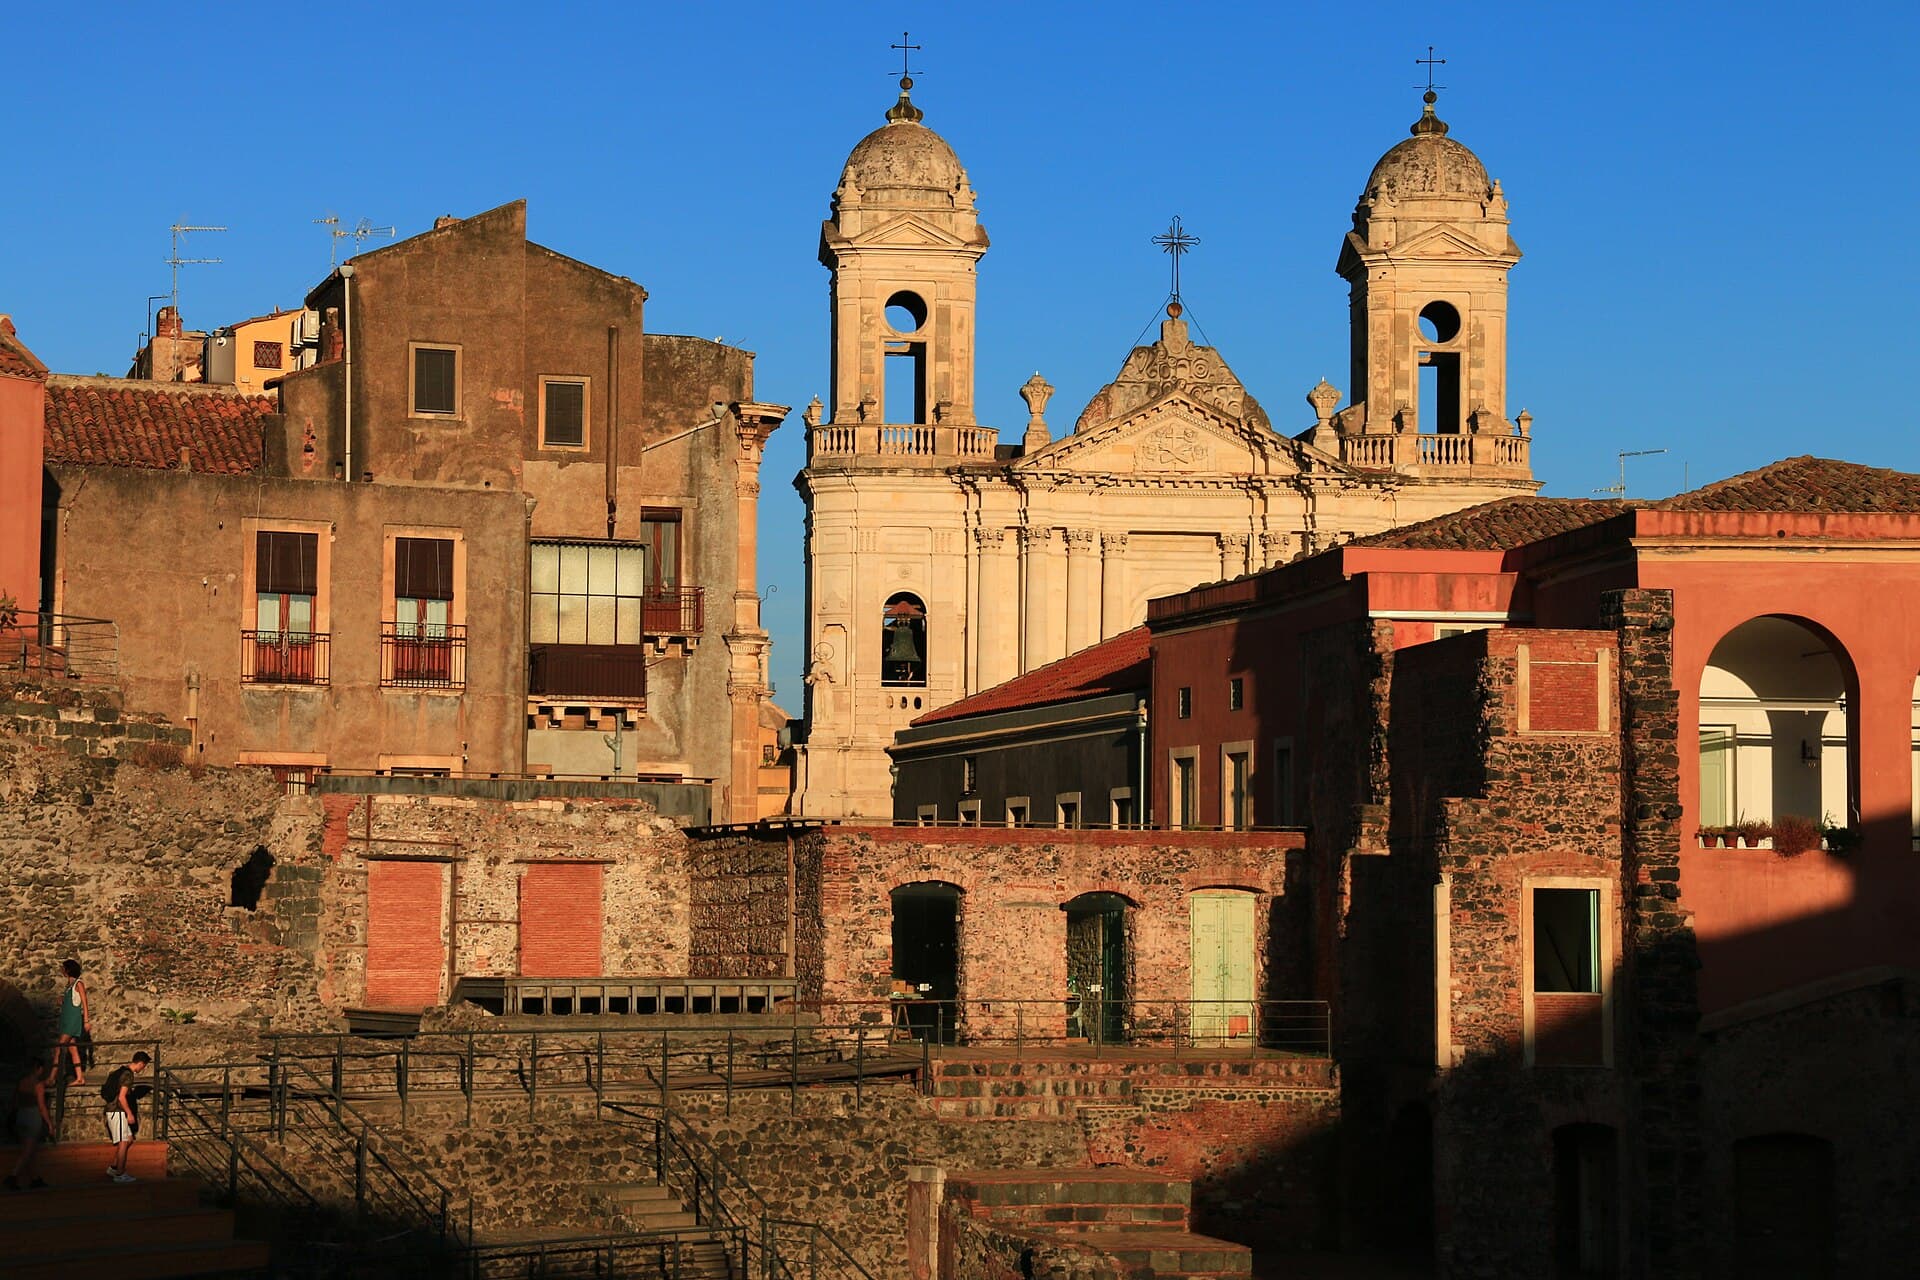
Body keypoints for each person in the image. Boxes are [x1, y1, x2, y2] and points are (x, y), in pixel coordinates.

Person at [4, 1062, 54, 1191]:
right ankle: (13, 1176)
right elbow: (42, 1107)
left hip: (21, 1114)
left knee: (29, 1151)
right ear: (38, 1069)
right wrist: (49, 1123)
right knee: (28, 1151)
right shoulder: (38, 1085)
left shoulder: (22, 1082)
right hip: (32, 1116)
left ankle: (34, 1178)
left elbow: (14, 1101)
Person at [101, 1051, 148, 1183]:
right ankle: (120, 1174)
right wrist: (129, 1113)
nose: (142, 1069)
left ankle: (114, 1168)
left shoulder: (121, 1071)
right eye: (143, 1066)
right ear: (140, 1063)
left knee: (129, 1139)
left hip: (114, 1110)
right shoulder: (128, 1075)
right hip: (117, 1111)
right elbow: (121, 1097)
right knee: (123, 1142)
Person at [54, 959, 90, 1086]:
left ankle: (52, 1077)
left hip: (72, 1021)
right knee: (73, 1049)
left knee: (59, 1047)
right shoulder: (69, 986)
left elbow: (84, 1002)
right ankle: (80, 1077)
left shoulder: (78, 984)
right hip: (67, 1020)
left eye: (64, 968)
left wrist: (86, 1020)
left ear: (68, 970)